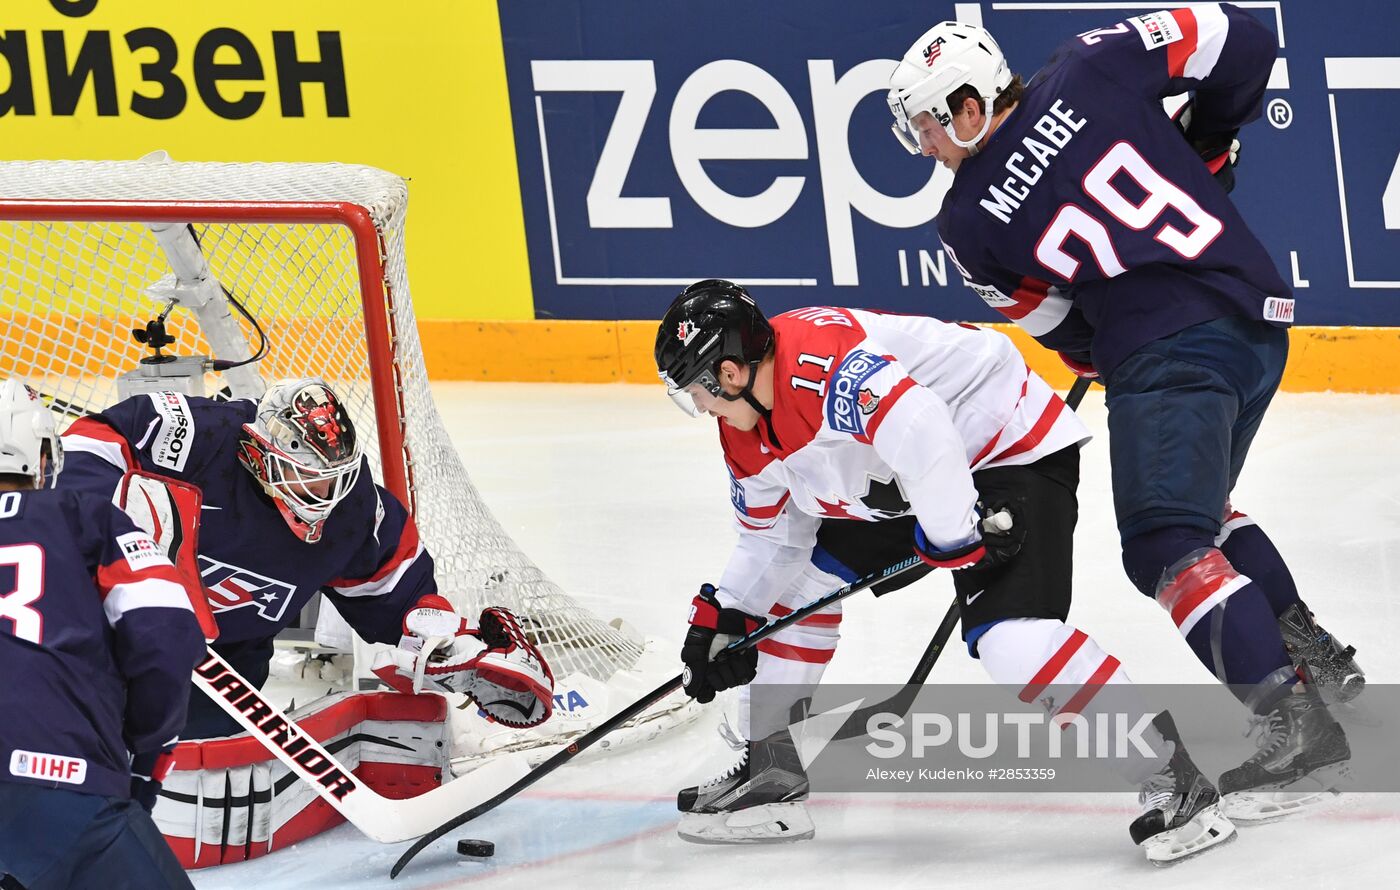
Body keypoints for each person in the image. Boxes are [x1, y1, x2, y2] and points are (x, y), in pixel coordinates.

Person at [886, 4, 1357, 821]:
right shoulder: (1090, 63)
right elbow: (1247, 37)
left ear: (969, 106)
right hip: (1250, 318)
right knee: (1202, 515)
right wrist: (1205, 142)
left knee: (1165, 546)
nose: (924, 146)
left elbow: (1060, 329)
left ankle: (1295, 722)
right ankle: (1310, 653)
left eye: (927, 124)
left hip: (1166, 353)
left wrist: (1118, 351)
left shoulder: (965, 223)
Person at [655, 280, 1233, 864]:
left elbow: (922, 423)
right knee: (785, 599)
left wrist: (952, 535)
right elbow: (774, 539)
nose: (699, 408)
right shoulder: (744, 427)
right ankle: (770, 772)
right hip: (906, 479)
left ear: (729, 373)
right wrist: (727, 614)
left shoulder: (818, 363)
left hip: (1005, 448)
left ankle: (1172, 776)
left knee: (1013, 644)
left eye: (696, 391)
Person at [56, 378, 554, 745]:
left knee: (185, 761)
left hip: (224, 663)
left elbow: (394, 594)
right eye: (309, 478)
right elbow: (90, 440)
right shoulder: (202, 435)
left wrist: (449, 647)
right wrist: (114, 534)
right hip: (109, 626)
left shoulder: (355, 511)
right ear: (263, 453)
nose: (324, 495)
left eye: (334, 478)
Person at [0, 379, 204, 889]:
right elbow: (165, 633)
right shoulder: (83, 515)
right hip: (56, 783)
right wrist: (143, 757)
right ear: (43, 457)